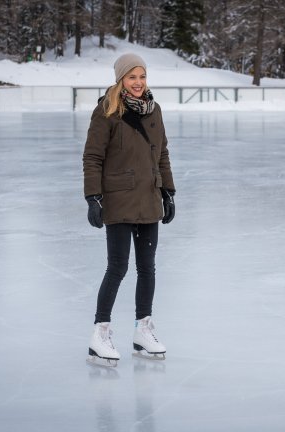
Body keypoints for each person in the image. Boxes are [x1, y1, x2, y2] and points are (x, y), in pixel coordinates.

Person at [82, 53, 176, 366]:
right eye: (132, 77)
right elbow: (92, 157)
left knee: (147, 268)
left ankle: (142, 330)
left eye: (142, 77)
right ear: (121, 79)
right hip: (119, 198)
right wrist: (93, 197)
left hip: (149, 198)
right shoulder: (107, 110)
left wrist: (168, 192)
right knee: (118, 267)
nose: (138, 83)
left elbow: (162, 153)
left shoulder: (155, 109)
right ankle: (100, 333)